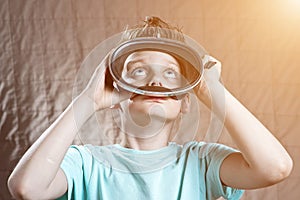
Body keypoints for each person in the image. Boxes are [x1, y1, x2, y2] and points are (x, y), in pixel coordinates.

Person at [7, 16, 293, 200]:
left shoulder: (200, 161)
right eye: (139, 71)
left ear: (185, 102)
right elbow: (26, 188)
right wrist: (88, 100)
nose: (156, 81)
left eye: (170, 73)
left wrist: (211, 89)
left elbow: (275, 168)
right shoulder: (85, 164)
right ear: (115, 89)